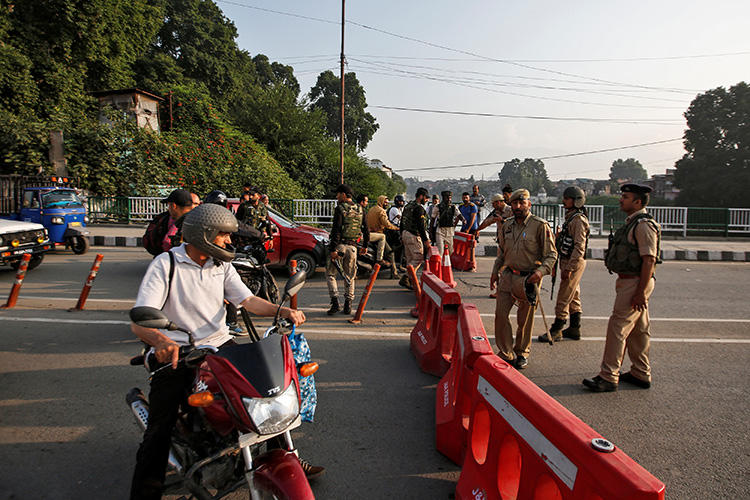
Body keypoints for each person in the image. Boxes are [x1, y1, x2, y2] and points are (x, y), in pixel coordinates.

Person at [129, 203, 321, 499]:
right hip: (180, 352)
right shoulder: (166, 265)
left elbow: (247, 301)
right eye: (223, 236)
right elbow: (140, 322)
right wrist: (162, 341)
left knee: (266, 393)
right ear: (204, 234)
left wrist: (281, 310)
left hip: (219, 346)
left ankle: (284, 456)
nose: (229, 242)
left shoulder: (222, 266)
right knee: (158, 432)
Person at [583, 184, 661, 392]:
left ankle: (608, 376)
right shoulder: (633, 223)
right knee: (638, 329)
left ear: (637, 202)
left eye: (625, 197)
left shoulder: (643, 225)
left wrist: (640, 292)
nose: (621, 200)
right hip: (631, 281)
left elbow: (649, 260)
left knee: (618, 327)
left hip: (635, 282)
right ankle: (640, 372)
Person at [489, 189, 557, 369]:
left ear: (529, 204)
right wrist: (495, 272)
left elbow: (551, 255)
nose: (518, 206)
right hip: (508, 276)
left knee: (524, 320)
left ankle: (521, 352)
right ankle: (506, 352)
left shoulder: (540, 226)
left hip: (528, 279)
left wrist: (541, 272)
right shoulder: (507, 225)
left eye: (522, 203)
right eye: (514, 203)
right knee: (501, 315)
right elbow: (502, 253)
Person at [538, 186, 590, 343]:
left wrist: (569, 268)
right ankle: (575, 328)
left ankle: (557, 328)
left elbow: (579, 246)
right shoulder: (572, 218)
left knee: (563, 296)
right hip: (567, 260)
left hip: (573, 262)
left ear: (576, 201)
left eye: (567, 199)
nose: (564, 201)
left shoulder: (579, 220)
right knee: (573, 295)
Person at [326, 184, 369, 315]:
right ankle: (348, 305)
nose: (337, 196)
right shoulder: (361, 209)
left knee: (330, 274)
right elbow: (366, 230)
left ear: (344, 195)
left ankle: (335, 303)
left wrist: (333, 248)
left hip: (340, 246)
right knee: (349, 276)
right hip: (353, 248)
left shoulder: (340, 208)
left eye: (338, 194)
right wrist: (365, 246)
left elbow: (336, 230)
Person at [142, 189, 197, 257]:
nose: (168, 209)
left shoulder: (175, 222)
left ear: (174, 206)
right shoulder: (197, 219)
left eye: (169, 205)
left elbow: (166, 242)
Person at [478, 193, 509, 298]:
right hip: (501, 244)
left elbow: (517, 224)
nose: (493, 206)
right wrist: (477, 230)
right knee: (499, 268)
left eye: (494, 204)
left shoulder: (511, 211)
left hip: (513, 245)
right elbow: (487, 222)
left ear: (499, 202)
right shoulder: (496, 212)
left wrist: (502, 221)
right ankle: (499, 291)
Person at [398, 188, 430, 288]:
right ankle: (406, 277)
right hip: (413, 235)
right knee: (418, 258)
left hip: (405, 234)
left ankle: (411, 281)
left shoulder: (408, 206)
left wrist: (401, 235)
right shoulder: (419, 208)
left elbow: (402, 221)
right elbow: (421, 226)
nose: (427, 200)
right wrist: (426, 240)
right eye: (426, 198)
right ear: (421, 196)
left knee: (410, 259)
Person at [366, 195, 399, 271]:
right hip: (378, 234)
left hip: (370, 232)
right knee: (390, 253)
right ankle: (394, 272)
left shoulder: (372, 209)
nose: (386, 204)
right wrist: (396, 228)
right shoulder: (381, 211)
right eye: (385, 203)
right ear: (381, 202)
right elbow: (387, 224)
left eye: (387, 203)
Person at [237, 186, 274, 250]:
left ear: (258, 196)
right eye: (249, 195)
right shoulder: (244, 206)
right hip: (246, 239)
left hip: (259, 239)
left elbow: (267, 222)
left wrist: (271, 238)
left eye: (253, 195)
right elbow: (237, 221)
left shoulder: (262, 207)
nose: (250, 197)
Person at [435, 190, 464, 255]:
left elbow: (459, 214)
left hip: (450, 231)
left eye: (450, 197)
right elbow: (432, 219)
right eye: (447, 197)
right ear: (443, 198)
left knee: (451, 251)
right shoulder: (437, 207)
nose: (449, 199)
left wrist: (463, 220)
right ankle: (440, 264)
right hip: (440, 231)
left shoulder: (453, 207)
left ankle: (447, 264)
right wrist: (431, 231)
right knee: (440, 251)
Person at [459, 192, 479, 270]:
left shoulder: (473, 206)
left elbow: (473, 219)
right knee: (463, 245)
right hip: (464, 228)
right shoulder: (461, 206)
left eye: (466, 198)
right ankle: (465, 262)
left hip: (472, 228)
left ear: (469, 198)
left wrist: (468, 229)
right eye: (464, 198)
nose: (465, 199)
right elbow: (458, 217)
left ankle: (472, 264)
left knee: (471, 246)